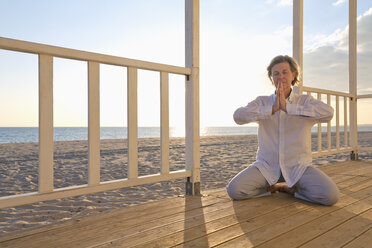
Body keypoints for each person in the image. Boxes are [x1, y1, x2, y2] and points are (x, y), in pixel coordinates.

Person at [226, 55, 339, 206]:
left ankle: (289, 189)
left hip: (298, 167)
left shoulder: (304, 101)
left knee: (330, 196)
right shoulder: (262, 102)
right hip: (266, 167)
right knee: (235, 190)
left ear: (293, 75)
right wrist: (271, 110)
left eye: (285, 72)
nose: (281, 77)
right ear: (271, 78)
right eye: (276, 73)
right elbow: (238, 116)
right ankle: (271, 187)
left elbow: (328, 113)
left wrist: (288, 108)